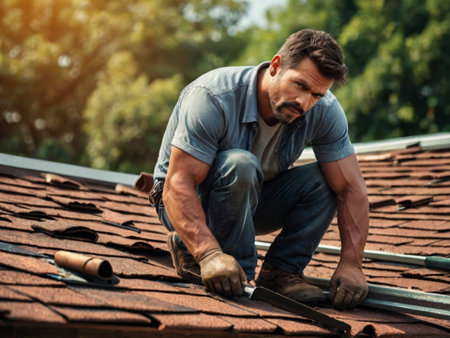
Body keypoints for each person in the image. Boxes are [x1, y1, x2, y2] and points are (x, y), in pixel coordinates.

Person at [151, 29, 369, 309]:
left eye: (316, 94)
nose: (305, 102)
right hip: (183, 200)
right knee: (241, 164)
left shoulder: (324, 110)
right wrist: (208, 254)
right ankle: (227, 267)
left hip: (252, 201)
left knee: (326, 180)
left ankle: (281, 272)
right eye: (300, 85)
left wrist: (352, 263)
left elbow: (353, 189)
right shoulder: (214, 95)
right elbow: (178, 184)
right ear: (276, 65)